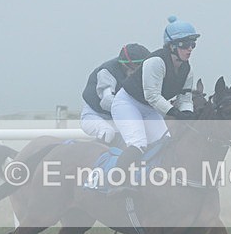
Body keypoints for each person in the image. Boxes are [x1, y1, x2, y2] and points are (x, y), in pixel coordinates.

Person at [110, 15, 199, 176]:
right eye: (185, 44)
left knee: (165, 144)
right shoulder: (156, 62)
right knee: (138, 144)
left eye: (193, 44)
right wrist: (175, 113)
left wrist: (188, 113)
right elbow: (152, 96)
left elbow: (185, 98)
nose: (190, 48)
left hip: (149, 109)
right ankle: (117, 181)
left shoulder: (188, 70)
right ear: (171, 46)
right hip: (127, 104)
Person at [80, 43, 151, 145]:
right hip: (95, 116)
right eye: (136, 66)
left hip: (117, 118)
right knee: (108, 132)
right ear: (124, 64)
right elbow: (106, 102)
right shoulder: (107, 71)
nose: (139, 71)